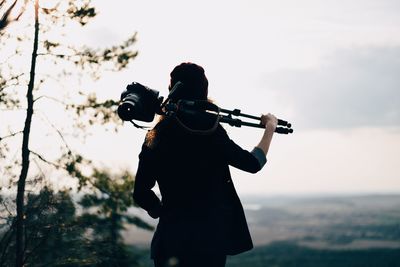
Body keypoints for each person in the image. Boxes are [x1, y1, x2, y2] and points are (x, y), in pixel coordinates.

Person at [133, 62, 277, 267]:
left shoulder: (157, 135)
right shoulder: (211, 130)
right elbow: (252, 163)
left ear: (172, 89)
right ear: (204, 90)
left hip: (169, 243)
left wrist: (163, 212)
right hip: (209, 244)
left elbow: (140, 192)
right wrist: (270, 128)